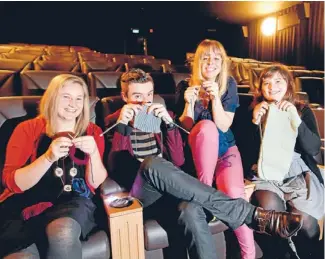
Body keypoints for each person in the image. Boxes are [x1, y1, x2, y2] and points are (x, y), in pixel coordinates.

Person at [106, 68, 303, 259]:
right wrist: (122, 127)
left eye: (149, 94)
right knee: (151, 163)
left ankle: (251, 217)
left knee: (190, 210)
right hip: (141, 193)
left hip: (171, 188)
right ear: (124, 96)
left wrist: (169, 126)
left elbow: (178, 161)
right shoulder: (112, 122)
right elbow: (117, 169)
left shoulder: (162, 117)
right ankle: (251, 215)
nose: (145, 101)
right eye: (137, 96)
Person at [0, 74, 107, 259]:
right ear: (52, 98)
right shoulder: (26, 128)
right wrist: (48, 157)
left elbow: (94, 184)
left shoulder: (93, 131)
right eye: (66, 97)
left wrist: (94, 154)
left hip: (72, 202)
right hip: (24, 204)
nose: (72, 104)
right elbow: (14, 184)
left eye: (79, 99)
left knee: (63, 232)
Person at [175, 39, 256, 259]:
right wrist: (188, 104)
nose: (211, 63)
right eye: (205, 58)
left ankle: (249, 255)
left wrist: (215, 99)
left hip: (226, 152)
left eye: (217, 58)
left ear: (223, 63)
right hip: (199, 157)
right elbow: (187, 128)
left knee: (236, 197)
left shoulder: (228, 84)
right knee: (206, 128)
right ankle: (205, 194)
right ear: (198, 62)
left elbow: (224, 125)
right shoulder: (184, 86)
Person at [250, 65, 324, 259]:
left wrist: (296, 120)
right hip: (266, 174)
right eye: (266, 82)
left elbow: (313, 148)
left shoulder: (302, 110)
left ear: (289, 85)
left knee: (306, 223)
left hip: (298, 173)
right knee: (273, 218)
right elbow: (244, 152)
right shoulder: (253, 110)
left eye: (277, 81)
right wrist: (254, 122)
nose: (271, 86)